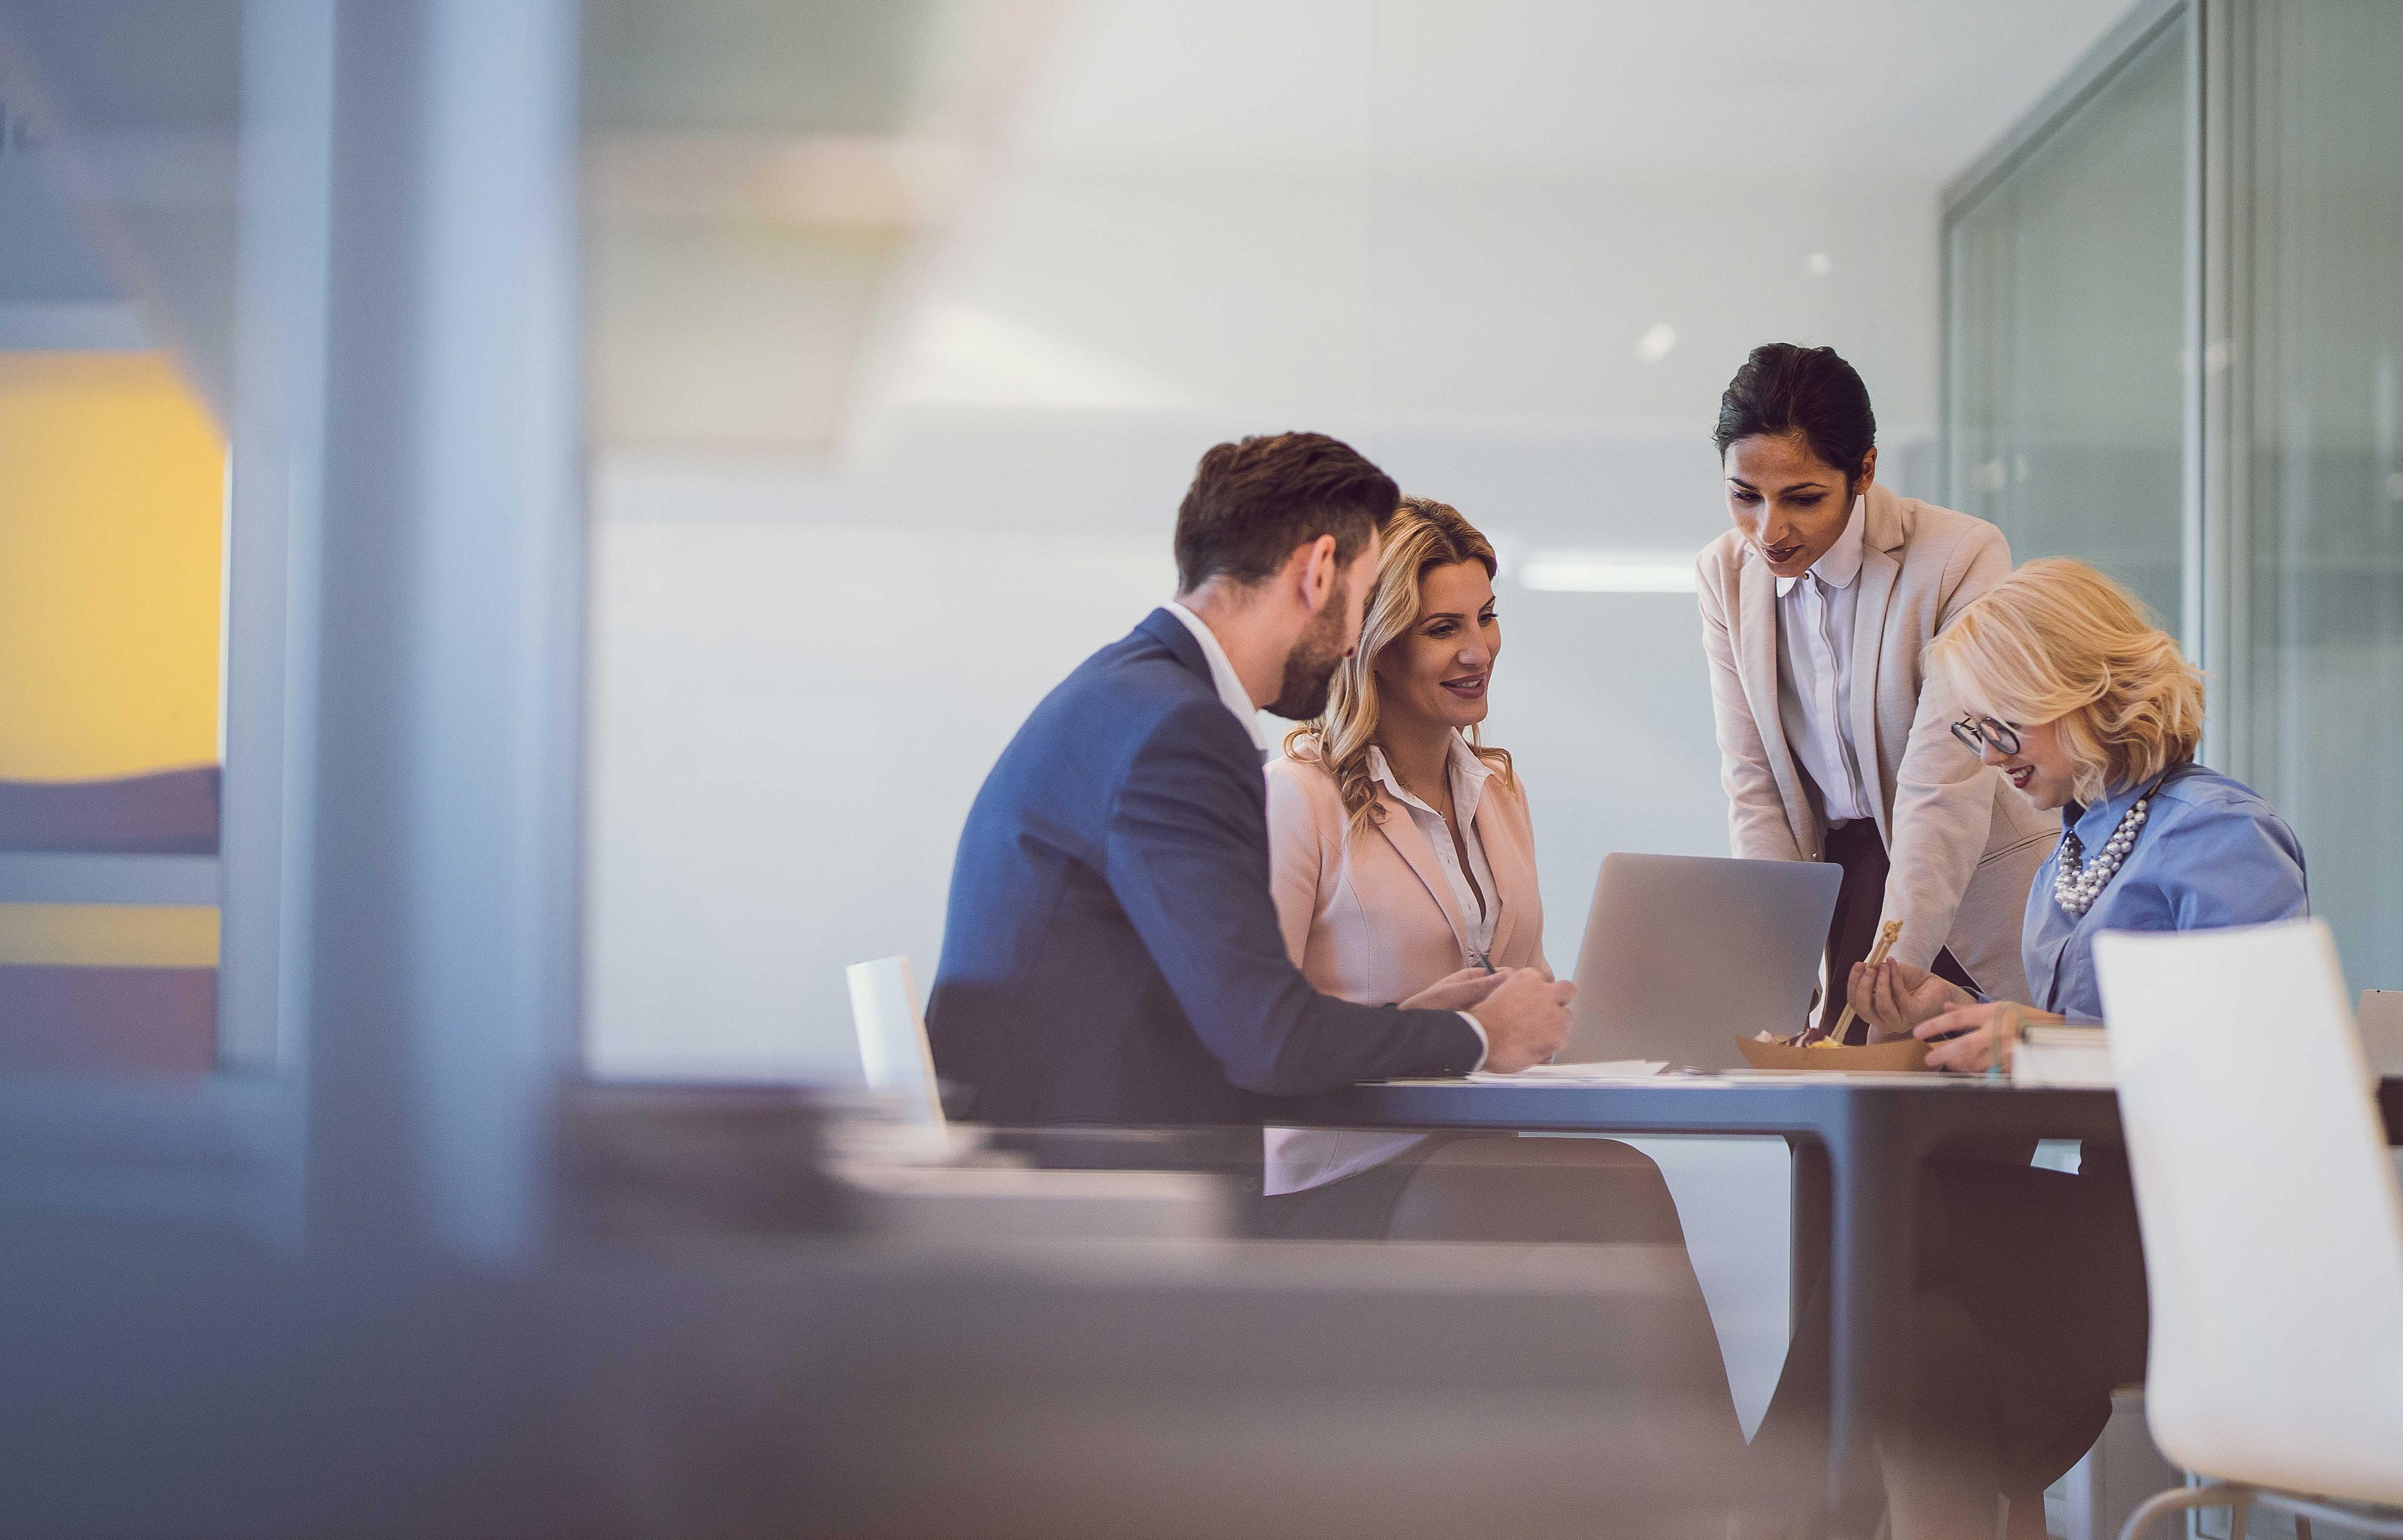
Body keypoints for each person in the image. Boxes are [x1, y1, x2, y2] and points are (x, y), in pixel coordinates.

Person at [924, 433, 1574, 1168]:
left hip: (1063, 1150)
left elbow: (1243, 1016)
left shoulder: (1133, 690)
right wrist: (1482, 1035)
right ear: (1318, 573)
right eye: (1363, 602)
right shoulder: (1182, 730)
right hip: (1086, 1182)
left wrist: (1410, 1024)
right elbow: (1267, 1041)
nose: (1356, 637)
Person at [1832, 557, 2308, 1534]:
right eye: (1972, 730)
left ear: (2077, 691)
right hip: (2115, 1216)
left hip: (2205, 1242)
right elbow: (2082, 1043)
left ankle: (1855, 1504)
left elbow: (2253, 1058)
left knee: (1892, 1246)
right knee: (1901, 1279)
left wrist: (2046, 1037)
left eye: (1999, 722)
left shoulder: (2216, 834)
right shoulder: (2076, 852)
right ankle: (1970, 1505)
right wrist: (1933, 1009)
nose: (1988, 753)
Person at [1696, 344, 2056, 1039]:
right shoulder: (1724, 573)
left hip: (1966, 879)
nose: (1768, 531)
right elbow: (1755, 784)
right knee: (1831, 1137)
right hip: (1844, 883)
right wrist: (1776, 967)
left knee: (1959, 1139)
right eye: (1745, 496)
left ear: (1864, 471)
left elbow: (1944, 782)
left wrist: (1894, 971)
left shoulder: (1960, 555)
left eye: (1802, 498)